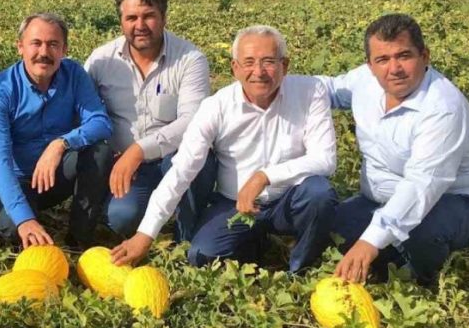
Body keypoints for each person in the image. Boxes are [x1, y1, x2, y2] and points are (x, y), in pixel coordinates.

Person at [112, 25, 338, 271]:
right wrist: (145, 234)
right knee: (201, 256)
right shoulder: (216, 106)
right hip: (234, 205)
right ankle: (255, 241)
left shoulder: (310, 92)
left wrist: (264, 177)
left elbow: (325, 159)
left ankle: (301, 267)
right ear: (235, 68)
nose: (259, 72)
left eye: (269, 62)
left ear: (285, 65)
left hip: (289, 201)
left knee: (319, 192)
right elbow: (182, 170)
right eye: (249, 62)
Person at [321, 14, 469, 286]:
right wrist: (271, 81)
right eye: (382, 60)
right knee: (331, 225)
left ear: (424, 56)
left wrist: (370, 241)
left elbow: (422, 184)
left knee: (419, 235)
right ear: (369, 65)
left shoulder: (442, 107)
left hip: (456, 202)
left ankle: (414, 279)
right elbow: (327, 90)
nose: (394, 68)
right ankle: (389, 254)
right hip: (382, 199)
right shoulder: (364, 82)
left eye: (404, 56)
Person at [85, 0, 216, 241]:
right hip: (125, 163)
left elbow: (193, 121)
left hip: (174, 157)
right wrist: (118, 155)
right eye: (131, 17)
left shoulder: (190, 59)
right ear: (121, 21)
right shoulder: (101, 61)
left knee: (200, 159)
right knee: (121, 218)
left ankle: (185, 237)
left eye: (149, 16)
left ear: (164, 18)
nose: (140, 25)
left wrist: (139, 149)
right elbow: (83, 112)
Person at [0, 13, 114, 248]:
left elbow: (100, 122)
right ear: (20, 47)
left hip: (55, 176)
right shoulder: (0, 91)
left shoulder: (73, 74)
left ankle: (79, 240)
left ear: (64, 49)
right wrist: (24, 220)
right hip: (15, 178)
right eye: (36, 43)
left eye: (53, 44)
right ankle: (24, 214)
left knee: (99, 152)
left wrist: (60, 143)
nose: (44, 52)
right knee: (14, 232)